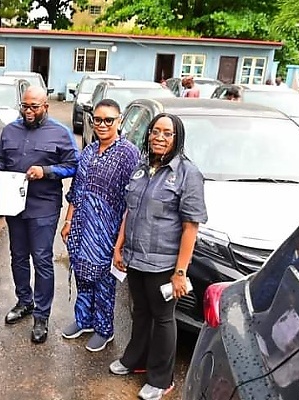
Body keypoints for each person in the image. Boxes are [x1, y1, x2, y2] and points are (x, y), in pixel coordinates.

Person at [109, 113, 207, 400]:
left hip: (163, 264)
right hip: (135, 258)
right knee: (140, 311)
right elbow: (130, 210)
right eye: (155, 132)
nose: (159, 138)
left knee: (164, 319)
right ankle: (135, 360)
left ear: (177, 138)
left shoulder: (187, 174)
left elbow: (191, 227)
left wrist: (180, 272)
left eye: (167, 133)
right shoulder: (142, 168)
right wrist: (120, 246)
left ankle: (162, 380)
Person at [0, 86, 79, 344]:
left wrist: (47, 171)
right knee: (17, 256)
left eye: (34, 107)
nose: (28, 111)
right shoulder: (10, 130)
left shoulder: (60, 133)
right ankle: (24, 301)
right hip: (13, 204)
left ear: (45, 106)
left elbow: (74, 165)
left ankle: (41, 314)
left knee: (41, 259)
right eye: (25, 106)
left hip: (44, 207)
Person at [60, 99, 139, 352]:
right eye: (98, 120)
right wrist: (68, 220)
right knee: (83, 275)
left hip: (109, 230)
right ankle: (84, 320)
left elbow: (132, 201)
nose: (102, 124)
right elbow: (76, 190)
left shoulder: (128, 154)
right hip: (82, 227)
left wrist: (121, 242)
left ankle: (104, 328)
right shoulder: (89, 151)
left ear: (120, 121)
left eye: (109, 120)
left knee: (104, 280)